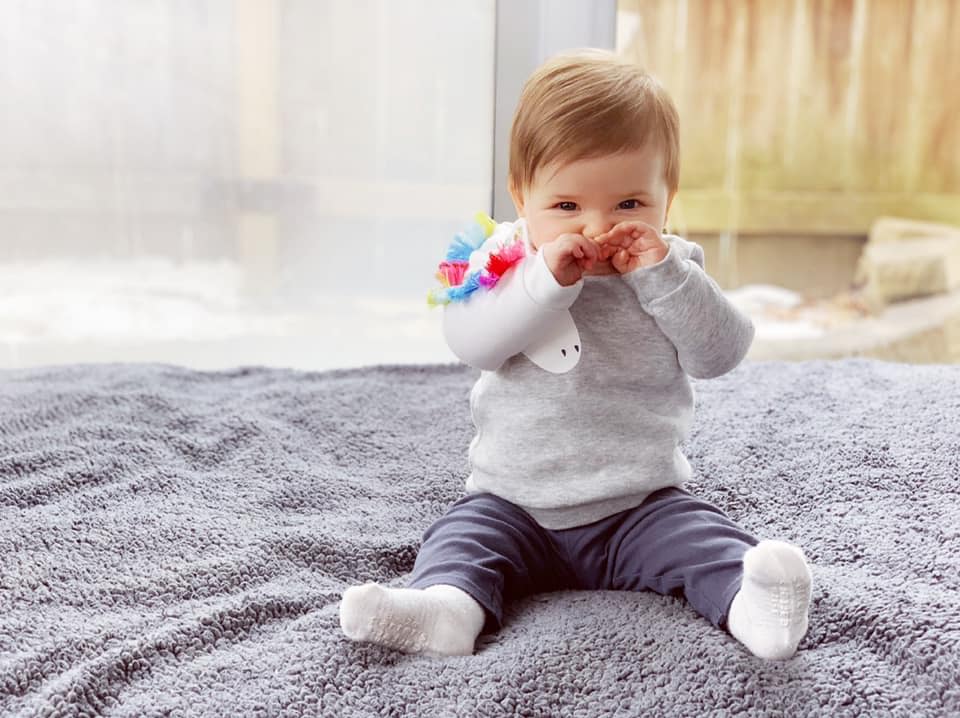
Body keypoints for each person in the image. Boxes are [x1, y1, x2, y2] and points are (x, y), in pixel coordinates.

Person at [339, 49, 812, 661]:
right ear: (521, 196)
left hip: (638, 505)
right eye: (566, 207)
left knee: (703, 541)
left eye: (629, 204)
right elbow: (471, 343)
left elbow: (721, 353)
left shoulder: (670, 268)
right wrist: (543, 283)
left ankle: (755, 611)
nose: (595, 226)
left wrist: (663, 278)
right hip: (514, 503)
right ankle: (447, 611)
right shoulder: (503, 260)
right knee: (460, 540)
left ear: (667, 198)